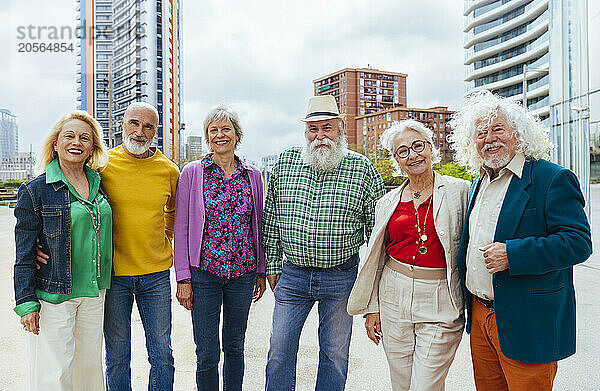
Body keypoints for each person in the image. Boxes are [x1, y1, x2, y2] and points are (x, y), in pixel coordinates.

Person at [449, 90, 592, 391]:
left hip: (528, 320)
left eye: (498, 129)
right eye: (481, 132)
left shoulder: (551, 178)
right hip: (480, 314)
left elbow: (578, 242)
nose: (490, 139)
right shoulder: (479, 182)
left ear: (519, 133)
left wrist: (512, 254)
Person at [36, 102, 179, 390]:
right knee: (116, 355)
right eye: (134, 123)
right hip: (113, 276)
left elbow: (173, 213)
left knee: (162, 354)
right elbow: (68, 195)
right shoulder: (102, 166)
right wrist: (43, 237)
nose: (140, 131)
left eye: (148, 126)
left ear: (157, 131)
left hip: (156, 277)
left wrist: (161, 239)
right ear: (122, 123)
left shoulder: (169, 171)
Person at [263, 95, 385, 391]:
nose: (320, 136)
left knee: (334, 355)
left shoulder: (363, 169)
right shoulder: (286, 162)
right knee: (279, 351)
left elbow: (379, 235)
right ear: (305, 133)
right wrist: (271, 265)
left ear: (340, 128)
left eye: (327, 128)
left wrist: (374, 293)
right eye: (313, 129)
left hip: (341, 277)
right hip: (292, 275)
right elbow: (270, 217)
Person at [347, 119, 469, 391]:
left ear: (431, 148)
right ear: (397, 160)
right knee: (401, 384)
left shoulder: (460, 190)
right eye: (403, 151)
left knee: (425, 385)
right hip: (394, 294)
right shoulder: (387, 202)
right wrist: (373, 308)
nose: (413, 155)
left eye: (418, 146)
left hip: (441, 296)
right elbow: (378, 259)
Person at [14, 110, 112, 390]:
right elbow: (24, 254)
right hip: (55, 292)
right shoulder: (35, 190)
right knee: (55, 371)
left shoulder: (99, 183)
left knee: (90, 369)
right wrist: (26, 303)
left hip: (94, 291)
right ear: (55, 143)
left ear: (92, 147)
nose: (76, 142)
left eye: (85, 138)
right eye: (69, 135)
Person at [174, 105, 267, 391]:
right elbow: (182, 226)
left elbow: (258, 224)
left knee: (235, 346)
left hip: (243, 272)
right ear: (206, 136)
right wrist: (183, 277)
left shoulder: (252, 175)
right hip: (204, 273)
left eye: (226, 129)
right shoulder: (193, 173)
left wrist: (261, 271)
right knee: (207, 351)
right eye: (213, 130)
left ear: (237, 134)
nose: (219, 135)